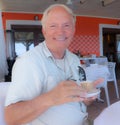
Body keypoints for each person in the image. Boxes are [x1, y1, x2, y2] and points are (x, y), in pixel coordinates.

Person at [5, 4, 103, 125]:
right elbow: (11, 117)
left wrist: (87, 97)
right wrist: (50, 97)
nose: (60, 32)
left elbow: (80, 100)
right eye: (53, 26)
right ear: (44, 31)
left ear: (73, 30)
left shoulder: (74, 59)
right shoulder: (28, 62)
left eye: (66, 25)